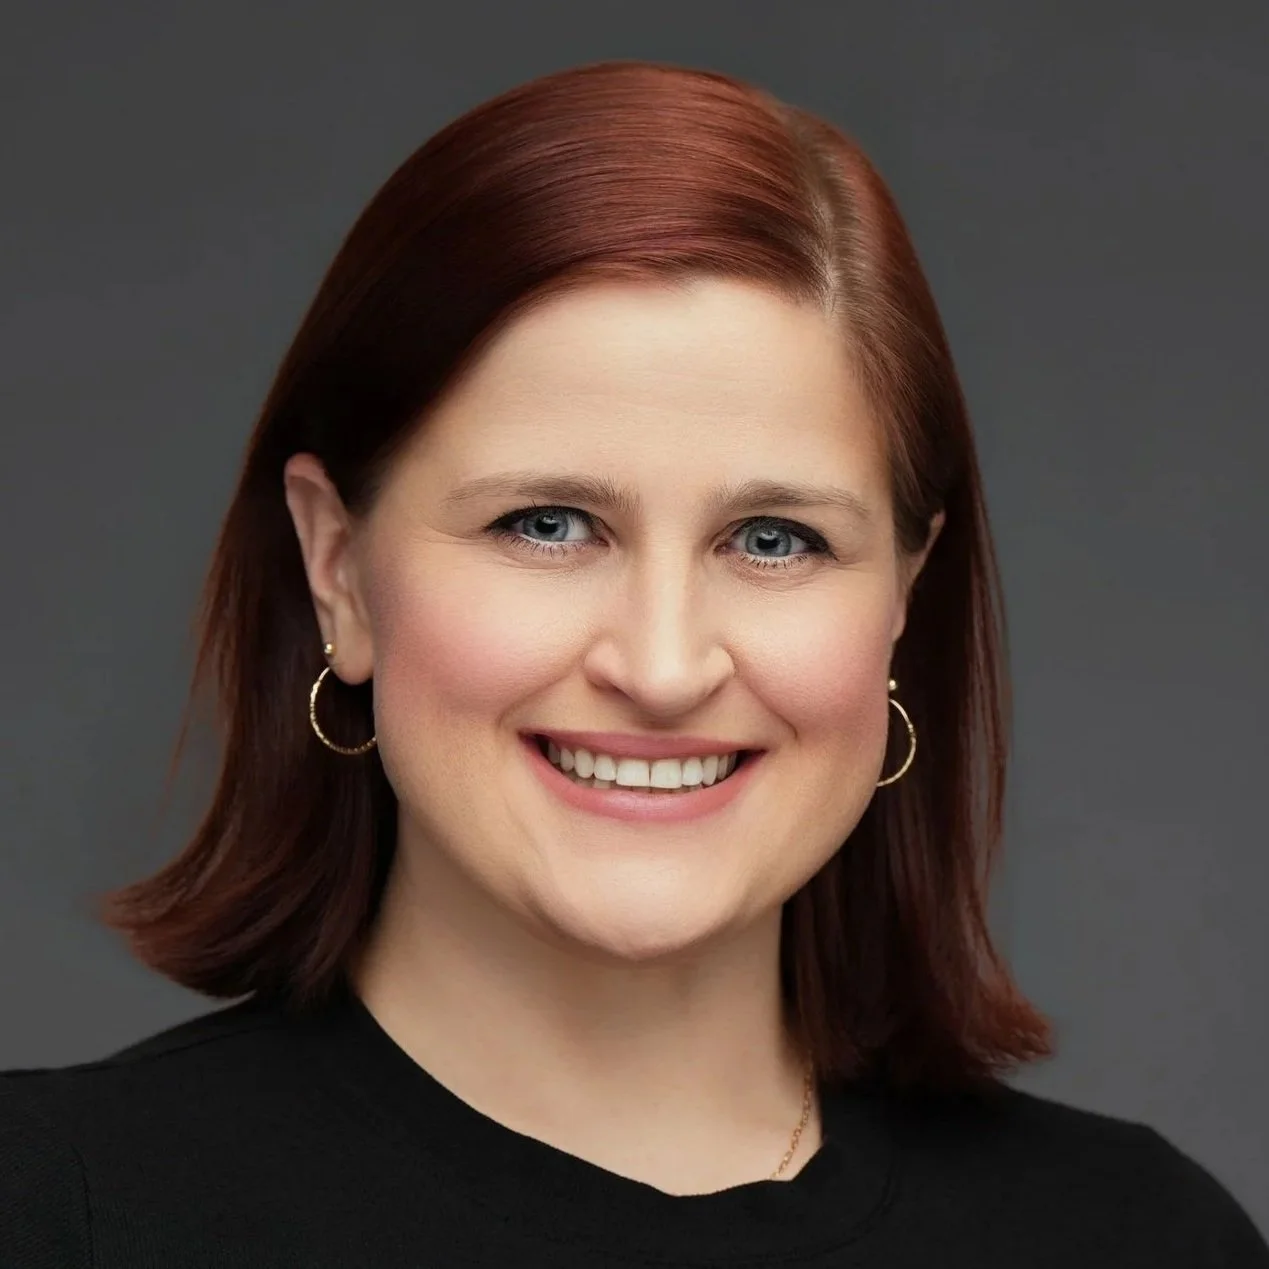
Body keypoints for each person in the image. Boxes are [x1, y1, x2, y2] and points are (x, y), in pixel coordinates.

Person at [2, 58, 1264, 1268]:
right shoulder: (59, 1214)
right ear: (340, 571)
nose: (662, 668)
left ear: (903, 599)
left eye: (775, 539)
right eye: (546, 523)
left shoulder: (1142, 1243)